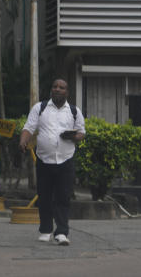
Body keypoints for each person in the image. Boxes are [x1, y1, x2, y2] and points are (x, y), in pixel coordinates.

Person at [18, 78, 86, 246]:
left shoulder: (74, 111)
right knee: (45, 197)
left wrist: (73, 136)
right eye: (54, 86)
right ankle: (45, 230)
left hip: (66, 160)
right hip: (44, 160)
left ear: (67, 92)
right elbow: (29, 127)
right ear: (51, 90)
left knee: (63, 197)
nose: (57, 89)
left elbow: (81, 132)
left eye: (61, 87)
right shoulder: (39, 108)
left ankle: (62, 233)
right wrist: (23, 141)